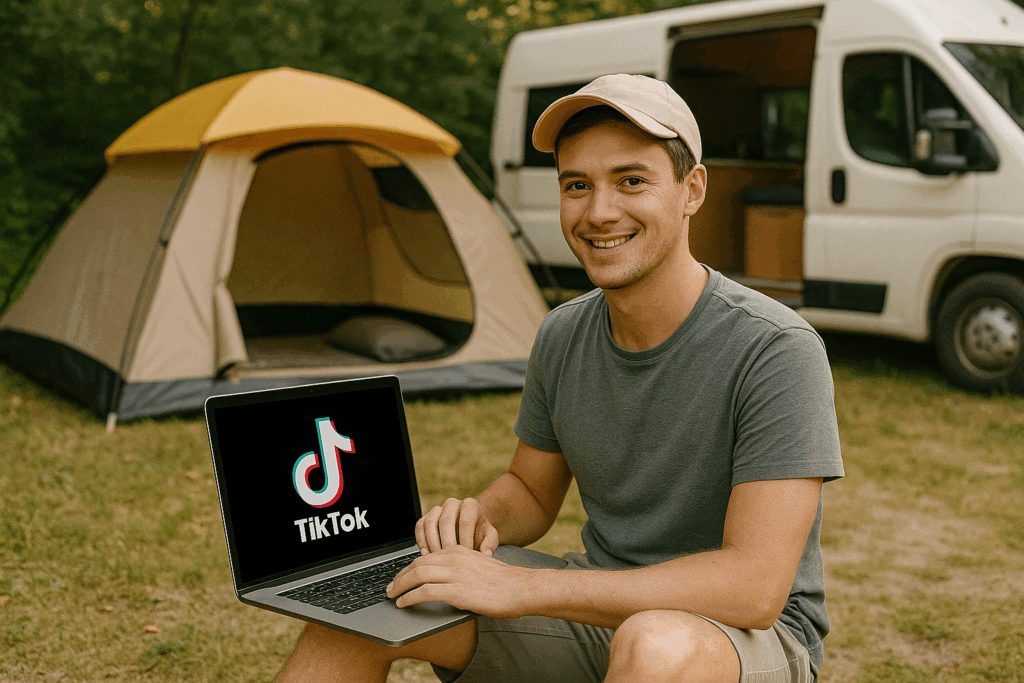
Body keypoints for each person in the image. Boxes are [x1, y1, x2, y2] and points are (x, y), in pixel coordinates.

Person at [275, 74, 844, 683]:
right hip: (598, 614)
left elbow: (754, 588)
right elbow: (532, 490)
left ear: (691, 189)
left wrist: (520, 587)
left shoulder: (776, 348)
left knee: (655, 647)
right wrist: (477, 521)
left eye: (631, 180)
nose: (600, 212)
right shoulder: (562, 334)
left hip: (740, 641)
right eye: (577, 186)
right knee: (372, 602)